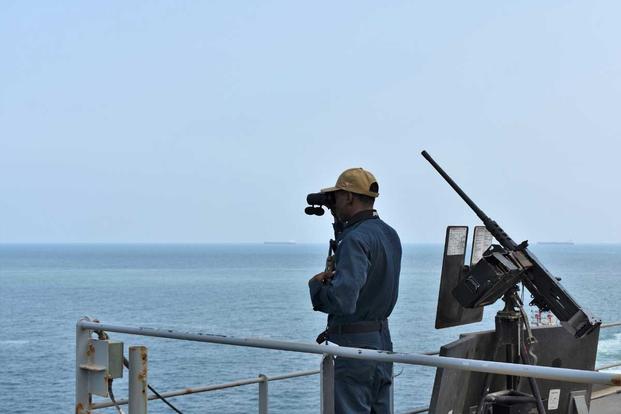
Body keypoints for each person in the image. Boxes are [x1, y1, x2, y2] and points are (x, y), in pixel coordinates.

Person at [308, 167, 402, 414]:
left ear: (349, 197)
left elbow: (343, 300)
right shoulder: (389, 234)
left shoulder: (354, 239)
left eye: (337, 197)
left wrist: (317, 287)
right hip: (382, 341)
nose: (334, 204)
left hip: (355, 346)